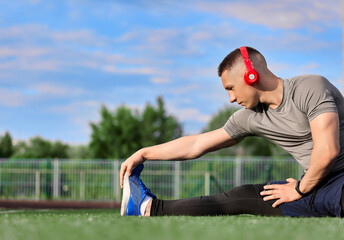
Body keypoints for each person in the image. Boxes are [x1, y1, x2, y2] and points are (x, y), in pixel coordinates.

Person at [120, 46, 344, 217]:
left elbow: (327, 151)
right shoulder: (249, 118)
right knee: (240, 196)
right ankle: (149, 207)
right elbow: (197, 145)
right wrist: (144, 153)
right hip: (314, 186)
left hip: (333, 182)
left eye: (231, 88)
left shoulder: (311, 87)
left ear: (251, 76)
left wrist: (300, 188)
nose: (231, 98)